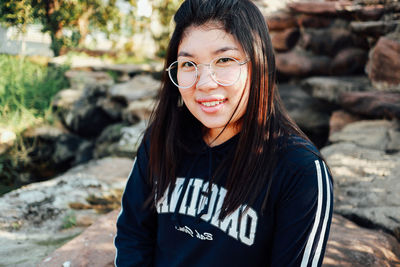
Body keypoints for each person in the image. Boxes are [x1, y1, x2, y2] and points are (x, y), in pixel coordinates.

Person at [114, 0, 333, 266]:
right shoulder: (162, 139)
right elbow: (133, 236)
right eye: (188, 64)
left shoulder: (300, 170)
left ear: (259, 65)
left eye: (224, 60)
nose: (205, 83)